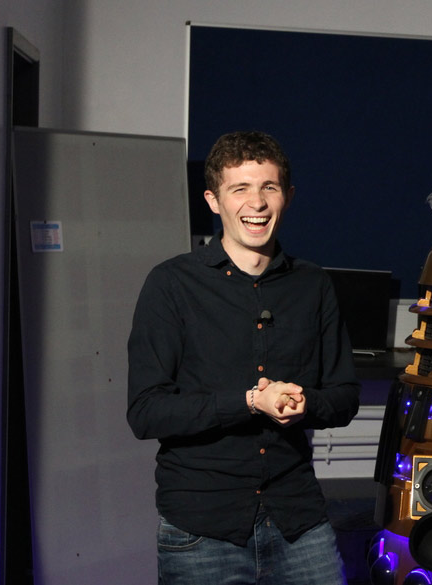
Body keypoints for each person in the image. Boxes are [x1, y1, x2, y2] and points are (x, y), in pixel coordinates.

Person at [127, 131, 360, 584]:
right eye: (240, 189)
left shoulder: (313, 285)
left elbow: (345, 395)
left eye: (268, 188)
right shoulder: (171, 285)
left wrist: (304, 403)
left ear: (287, 197)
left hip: (298, 521)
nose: (256, 203)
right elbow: (145, 412)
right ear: (214, 200)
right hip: (203, 530)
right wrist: (250, 402)